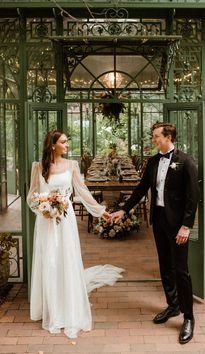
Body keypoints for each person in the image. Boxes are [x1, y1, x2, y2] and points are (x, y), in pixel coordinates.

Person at [27, 130, 124, 338]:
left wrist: (100, 211)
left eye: (67, 142)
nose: (67, 145)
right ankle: (52, 307)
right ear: (52, 145)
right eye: (63, 142)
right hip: (46, 221)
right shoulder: (38, 166)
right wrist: (41, 209)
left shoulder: (72, 165)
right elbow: (31, 196)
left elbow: (82, 192)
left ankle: (67, 304)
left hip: (66, 219)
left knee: (65, 259)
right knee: (49, 261)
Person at [110, 122, 199, 344]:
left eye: (156, 136)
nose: (153, 140)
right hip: (158, 222)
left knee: (181, 271)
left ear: (168, 136)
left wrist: (186, 226)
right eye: (153, 136)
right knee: (165, 268)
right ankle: (173, 305)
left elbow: (193, 198)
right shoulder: (152, 161)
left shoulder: (186, 161)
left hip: (178, 225)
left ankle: (188, 317)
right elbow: (141, 188)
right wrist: (124, 209)